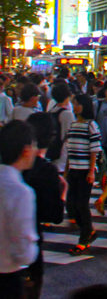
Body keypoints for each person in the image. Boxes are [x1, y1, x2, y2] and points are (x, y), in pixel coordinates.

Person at [23, 112, 64, 299]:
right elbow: (54, 215)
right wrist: (63, 193)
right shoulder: (46, 170)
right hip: (29, 245)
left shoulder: (14, 165)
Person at [0, 121, 39, 299]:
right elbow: (24, 252)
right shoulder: (20, 192)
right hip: (7, 277)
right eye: (34, 146)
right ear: (25, 150)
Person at [65, 94, 101, 254]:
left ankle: (84, 237)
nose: (75, 106)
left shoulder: (91, 125)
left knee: (81, 204)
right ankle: (88, 230)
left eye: (77, 104)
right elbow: (69, 148)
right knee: (72, 204)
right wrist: (67, 169)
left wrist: (92, 170)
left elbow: (94, 149)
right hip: (74, 169)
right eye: (74, 103)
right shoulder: (73, 124)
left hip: (85, 170)